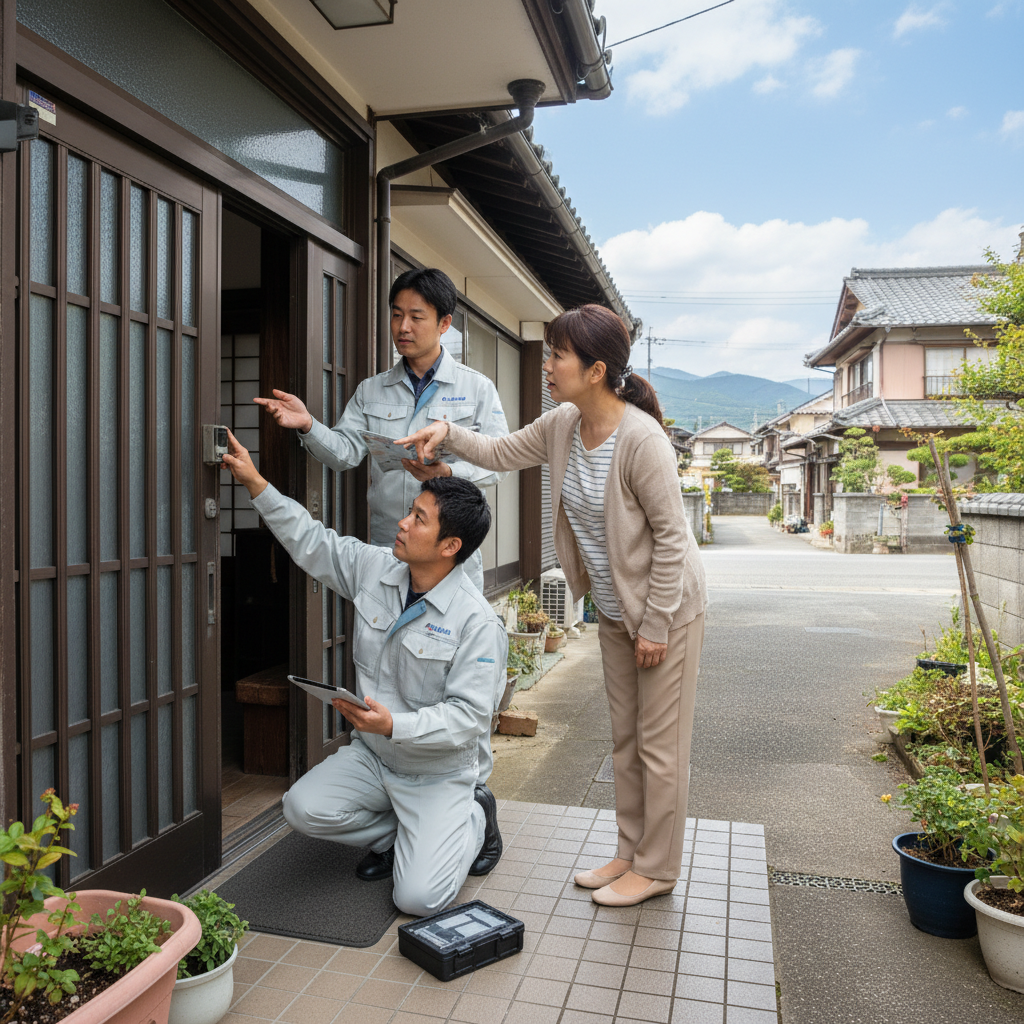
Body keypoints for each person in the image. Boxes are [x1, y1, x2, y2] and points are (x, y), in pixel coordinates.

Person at [398, 304, 708, 908]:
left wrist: (655, 624)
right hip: (617, 611)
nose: (547, 365)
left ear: (595, 370)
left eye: (557, 355)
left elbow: (673, 539)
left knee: (659, 745)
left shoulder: (642, 441)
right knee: (625, 738)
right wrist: (448, 435)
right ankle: (630, 851)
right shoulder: (565, 422)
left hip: (665, 613)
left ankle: (659, 867)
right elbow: (500, 451)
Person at [222, 430, 506, 917]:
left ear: (449, 545)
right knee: (301, 808)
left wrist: (395, 724)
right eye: (410, 510)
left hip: (438, 773)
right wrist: (254, 482)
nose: (401, 523)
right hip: (374, 757)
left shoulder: (477, 622)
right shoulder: (377, 568)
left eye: (418, 518)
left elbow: (469, 719)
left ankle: (475, 816)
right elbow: (313, 541)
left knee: (418, 899)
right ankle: (398, 834)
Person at [253, 267, 508, 593]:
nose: (403, 327)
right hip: (391, 544)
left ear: (444, 323)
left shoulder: (478, 389)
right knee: (385, 632)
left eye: (416, 317)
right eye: (397, 315)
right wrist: (308, 424)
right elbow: (344, 453)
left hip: (450, 550)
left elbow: (499, 461)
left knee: (453, 634)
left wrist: (447, 473)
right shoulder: (371, 391)